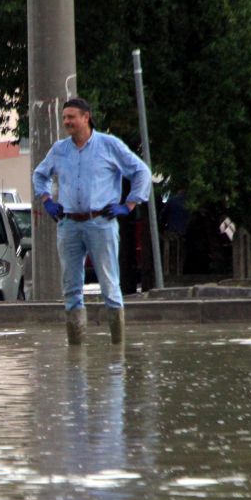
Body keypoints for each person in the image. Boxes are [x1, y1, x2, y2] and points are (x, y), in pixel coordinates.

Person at [33, 97, 150, 345]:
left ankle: (118, 348)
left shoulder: (109, 145)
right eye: (64, 118)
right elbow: (40, 174)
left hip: (101, 222)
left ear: (86, 117)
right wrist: (46, 200)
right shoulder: (59, 149)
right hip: (68, 225)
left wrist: (128, 205)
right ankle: (76, 350)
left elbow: (141, 171)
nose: (67, 122)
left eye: (71, 117)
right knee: (71, 288)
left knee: (109, 284)